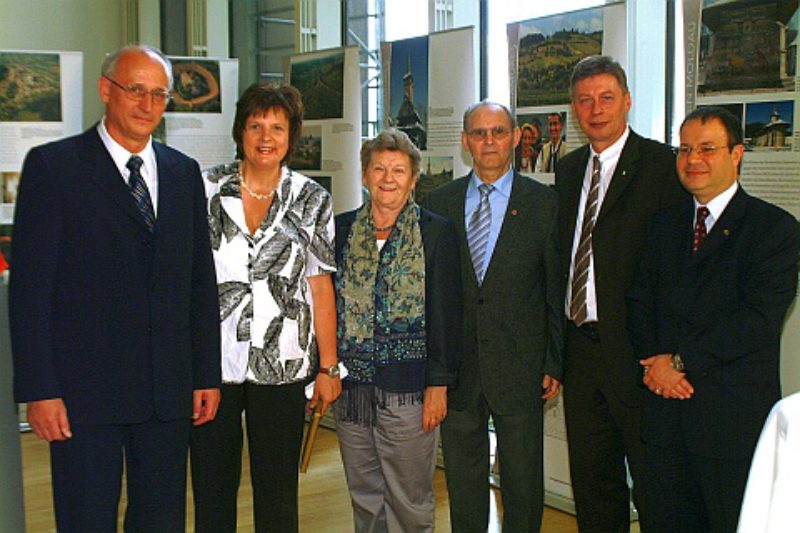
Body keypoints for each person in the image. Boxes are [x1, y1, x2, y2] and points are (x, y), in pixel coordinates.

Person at [9, 44, 221, 531]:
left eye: (159, 94)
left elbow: (198, 282)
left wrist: (205, 373)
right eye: (136, 91)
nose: (148, 105)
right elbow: (30, 293)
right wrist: (40, 389)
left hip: (165, 393)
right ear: (106, 90)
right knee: (87, 518)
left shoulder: (182, 172)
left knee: (161, 519)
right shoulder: (53, 168)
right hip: (84, 395)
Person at [627, 106, 800, 532]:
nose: (693, 160)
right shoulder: (662, 225)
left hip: (729, 424)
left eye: (708, 149)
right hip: (664, 420)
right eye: (684, 149)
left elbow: (756, 321)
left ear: (737, 153)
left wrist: (679, 363)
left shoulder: (774, 230)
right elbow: (637, 300)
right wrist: (655, 361)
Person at [190, 83, 340, 532]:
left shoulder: (312, 199)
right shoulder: (205, 189)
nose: (266, 136)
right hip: (212, 365)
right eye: (256, 125)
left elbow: (320, 284)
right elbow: (187, 279)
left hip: (284, 362)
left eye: (278, 126)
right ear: (241, 131)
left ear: (292, 135)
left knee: (277, 498)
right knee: (213, 492)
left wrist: (329, 368)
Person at [554, 55, 687, 531]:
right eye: (585, 100)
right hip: (581, 352)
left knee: (655, 483)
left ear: (627, 101)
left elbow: (676, 271)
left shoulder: (662, 166)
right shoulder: (569, 172)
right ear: (574, 108)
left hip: (639, 353)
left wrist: (667, 351)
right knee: (594, 484)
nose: (596, 109)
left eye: (607, 97)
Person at [423, 101, 563, 532]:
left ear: (516, 137)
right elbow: (428, 295)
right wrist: (434, 370)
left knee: (522, 482)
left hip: (521, 367)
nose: (489, 141)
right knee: (464, 482)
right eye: (479, 133)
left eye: (498, 132)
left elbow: (555, 289)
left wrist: (554, 362)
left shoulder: (544, 203)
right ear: (465, 142)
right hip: (457, 368)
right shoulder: (437, 203)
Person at [333, 128, 463, 532]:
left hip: (409, 391)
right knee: (365, 495)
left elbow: (447, 313)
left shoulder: (435, 233)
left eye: (399, 170)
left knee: (409, 497)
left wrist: (438, 385)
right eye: (379, 169)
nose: (388, 179)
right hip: (352, 392)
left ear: (413, 179)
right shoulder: (340, 231)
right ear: (365, 175)